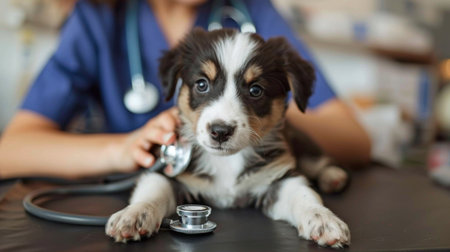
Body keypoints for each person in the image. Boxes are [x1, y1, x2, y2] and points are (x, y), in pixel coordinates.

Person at [0, 0, 370, 179]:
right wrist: (122, 148)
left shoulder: (252, 11)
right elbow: (10, 152)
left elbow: (356, 141)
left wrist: (258, 119)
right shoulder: (99, 16)